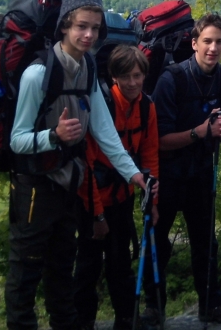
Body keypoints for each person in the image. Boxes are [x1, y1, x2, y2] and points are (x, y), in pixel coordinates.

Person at [6, 0, 153, 330]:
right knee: (26, 273)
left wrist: (134, 175)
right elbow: (16, 141)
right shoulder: (38, 74)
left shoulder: (86, 67)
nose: (89, 35)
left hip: (67, 183)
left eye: (95, 27)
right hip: (34, 187)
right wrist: (53, 137)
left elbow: (104, 132)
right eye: (81, 26)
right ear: (65, 26)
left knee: (61, 271)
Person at [144, 13, 221, 324]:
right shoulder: (171, 80)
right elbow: (158, 140)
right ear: (194, 43)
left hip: (201, 172)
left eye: (219, 42)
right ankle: (153, 308)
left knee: (205, 242)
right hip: (167, 173)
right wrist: (200, 132)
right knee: (157, 240)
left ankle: (211, 304)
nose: (214, 48)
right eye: (208, 41)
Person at [73, 45, 159, 330]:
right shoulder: (103, 107)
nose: (133, 82)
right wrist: (97, 216)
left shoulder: (147, 107)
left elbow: (149, 155)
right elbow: (87, 164)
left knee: (120, 264)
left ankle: (125, 319)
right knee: (88, 266)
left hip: (123, 196)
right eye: (126, 77)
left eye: (138, 75)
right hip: (92, 199)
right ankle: (83, 321)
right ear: (113, 77)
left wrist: (152, 201)